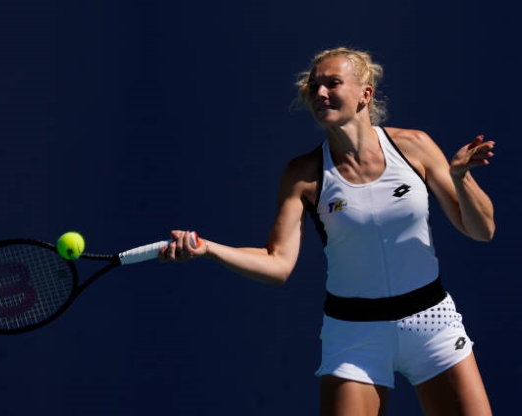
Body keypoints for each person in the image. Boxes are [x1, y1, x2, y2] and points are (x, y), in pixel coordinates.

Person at [159, 47, 495, 415]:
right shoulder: (303, 174)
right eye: (314, 86)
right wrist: (209, 248)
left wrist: (461, 180)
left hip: (432, 323)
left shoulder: (414, 146)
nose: (320, 93)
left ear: (365, 94)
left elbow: (482, 230)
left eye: (333, 83)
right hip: (355, 334)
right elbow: (277, 263)